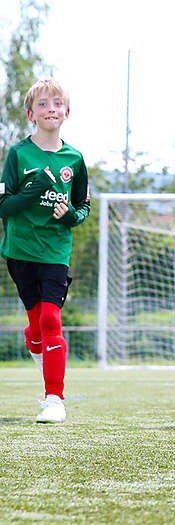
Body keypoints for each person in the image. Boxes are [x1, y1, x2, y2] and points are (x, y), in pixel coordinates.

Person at [0, 78, 90, 423]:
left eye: (56, 104)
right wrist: (30, 190)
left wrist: (70, 215)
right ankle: (33, 340)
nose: (50, 109)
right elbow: (4, 207)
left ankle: (54, 399)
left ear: (66, 112)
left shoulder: (75, 158)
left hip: (55, 250)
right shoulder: (18, 154)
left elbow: (82, 206)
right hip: (20, 251)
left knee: (52, 319)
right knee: (36, 327)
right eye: (43, 104)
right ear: (30, 114)